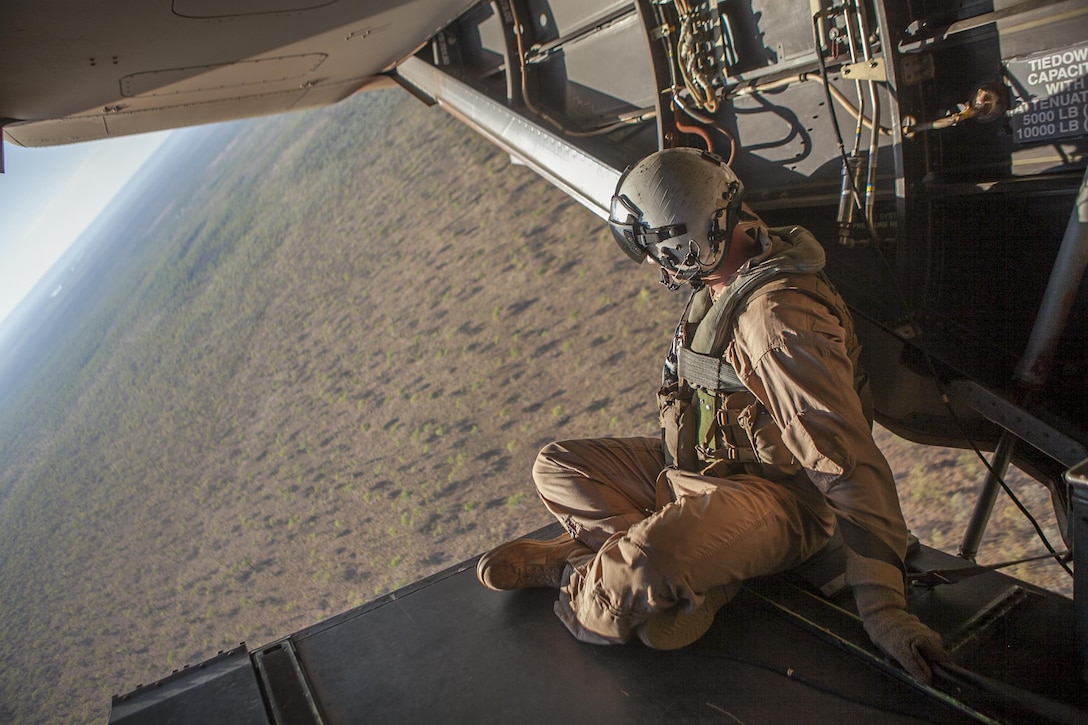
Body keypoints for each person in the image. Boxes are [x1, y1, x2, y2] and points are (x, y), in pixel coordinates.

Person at [475, 148, 948, 683]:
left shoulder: (777, 324)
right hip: (701, 466)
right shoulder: (731, 267)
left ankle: (577, 570)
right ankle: (668, 569)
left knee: (645, 572)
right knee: (558, 466)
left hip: (779, 499)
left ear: (686, 239)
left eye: (656, 249)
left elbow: (847, 466)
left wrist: (885, 611)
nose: (655, 265)